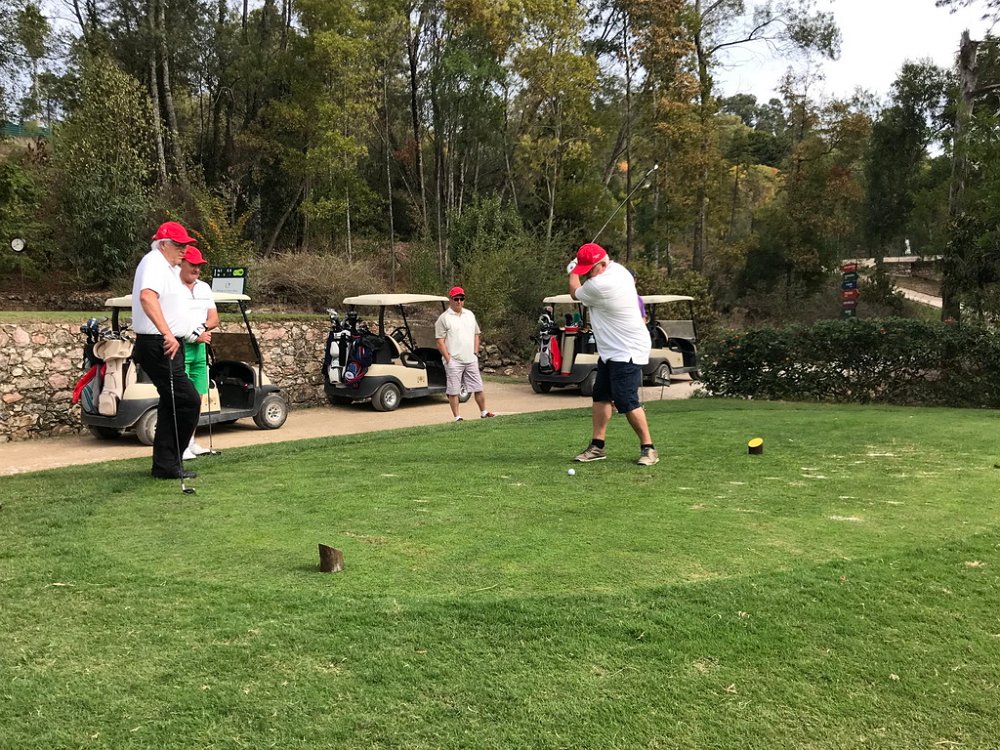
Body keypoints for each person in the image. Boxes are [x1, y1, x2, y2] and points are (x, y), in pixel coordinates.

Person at [568, 242, 658, 466]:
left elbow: (574, 293)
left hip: (626, 349)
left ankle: (649, 448)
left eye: (589, 270)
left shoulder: (600, 285)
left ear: (601, 264)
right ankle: (597, 446)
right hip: (611, 349)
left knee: (626, 400)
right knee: (601, 395)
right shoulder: (619, 269)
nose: (586, 274)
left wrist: (572, 271)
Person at [131, 221, 203, 479]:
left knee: (171, 402)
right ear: (163, 245)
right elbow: (147, 297)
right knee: (188, 400)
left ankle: (166, 464)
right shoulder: (154, 262)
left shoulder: (169, 268)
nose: (184, 250)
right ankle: (171, 460)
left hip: (169, 342)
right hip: (159, 343)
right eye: (179, 245)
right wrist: (167, 334)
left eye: (185, 245)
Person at [178, 246, 220, 460]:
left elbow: (214, 318)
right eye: (192, 264)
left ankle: (190, 441)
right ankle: (180, 445)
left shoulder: (204, 288)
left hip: (200, 349)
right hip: (181, 347)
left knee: (198, 397)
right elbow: (173, 320)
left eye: (199, 266)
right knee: (182, 398)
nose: (196, 269)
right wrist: (194, 335)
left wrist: (200, 331)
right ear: (181, 263)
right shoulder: (173, 287)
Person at [434, 286, 495, 422]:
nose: (459, 302)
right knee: (454, 391)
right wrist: (448, 359)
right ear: (451, 300)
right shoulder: (444, 318)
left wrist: (475, 353)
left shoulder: (470, 315)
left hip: (470, 358)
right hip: (454, 360)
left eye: (461, 299)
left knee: (478, 387)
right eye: (456, 299)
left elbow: (476, 334)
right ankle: (457, 417)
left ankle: (484, 412)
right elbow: (440, 341)